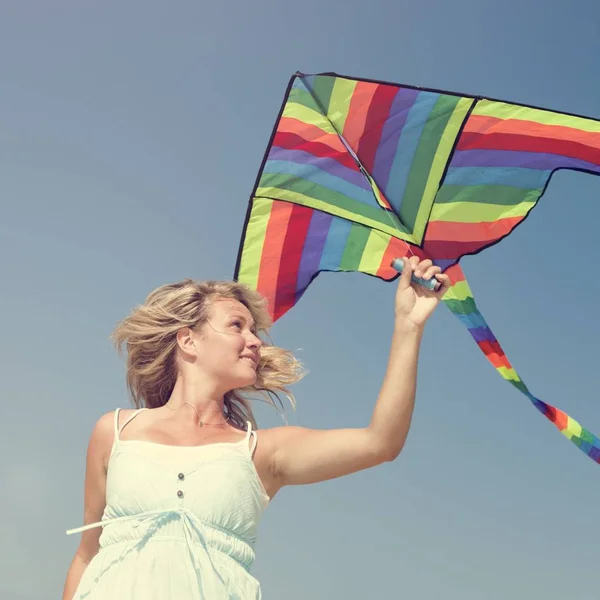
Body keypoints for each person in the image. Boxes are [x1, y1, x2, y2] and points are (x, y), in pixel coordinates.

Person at [62, 256, 450, 600]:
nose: (254, 343)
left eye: (255, 333)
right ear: (188, 340)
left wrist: (408, 325)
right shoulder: (114, 432)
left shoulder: (261, 453)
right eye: (237, 326)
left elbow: (380, 442)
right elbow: (86, 555)